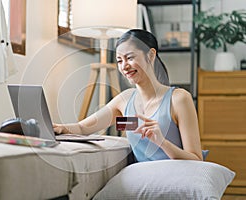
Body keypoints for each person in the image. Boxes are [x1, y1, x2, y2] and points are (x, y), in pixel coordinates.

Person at [53, 29, 204, 162]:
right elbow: (83, 128)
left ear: (151, 55)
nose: (124, 66)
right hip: (142, 181)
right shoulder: (124, 100)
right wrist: (57, 127)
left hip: (176, 178)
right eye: (119, 60)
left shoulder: (179, 99)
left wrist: (161, 142)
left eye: (130, 58)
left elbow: (196, 158)